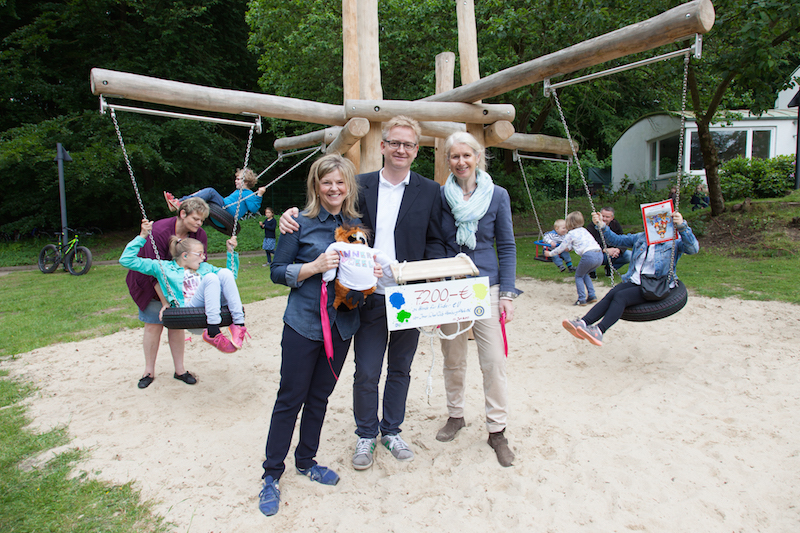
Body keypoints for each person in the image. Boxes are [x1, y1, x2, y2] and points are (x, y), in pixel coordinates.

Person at [279, 116, 445, 471]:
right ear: (382, 146)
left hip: (408, 296)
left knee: (400, 369)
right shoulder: (360, 186)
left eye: (408, 145)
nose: (401, 149)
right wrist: (289, 215)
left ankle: (392, 430)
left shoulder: (430, 191)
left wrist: (420, 274)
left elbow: (436, 240)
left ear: (417, 151)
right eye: (394, 143)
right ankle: (366, 433)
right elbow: (326, 204)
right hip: (365, 296)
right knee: (367, 370)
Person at [258, 154, 384, 517]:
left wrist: (370, 271)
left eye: (340, 182)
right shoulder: (298, 222)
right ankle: (271, 474)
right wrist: (312, 267)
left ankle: (306, 460)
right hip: (304, 325)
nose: (334, 188)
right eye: (327, 182)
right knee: (290, 398)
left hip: (343, 326)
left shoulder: (357, 227)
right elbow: (277, 271)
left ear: (349, 187)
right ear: (316, 185)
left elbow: (359, 276)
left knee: (320, 397)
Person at [435, 131, 522, 467]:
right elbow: (436, 241)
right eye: (454, 157)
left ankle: (497, 429)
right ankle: (455, 415)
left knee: (494, 361)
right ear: (448, 160)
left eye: (466, 156)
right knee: (453, 357)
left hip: (487, 285)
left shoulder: (497, 195)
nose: (461, 162)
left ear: (477, 158)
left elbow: (508, 245)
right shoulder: (440, 197)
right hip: (451, 287)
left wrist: (508, 294)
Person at [562, 210, 699, 346]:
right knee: (613, 293)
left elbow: (692, 248)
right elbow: (616, 240)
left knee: (621, 297)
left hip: (656, 285)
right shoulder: (641, 238)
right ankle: (583, 322)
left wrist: (682, 226)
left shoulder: (672, 242)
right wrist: (602, 225)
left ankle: (599, 330)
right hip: (636, 281)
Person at [120, 220, 247, 354]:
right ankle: (213, 331)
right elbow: (126, 260)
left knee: (224, 273)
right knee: (211, 278)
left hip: (207, 305)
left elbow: (230, 279)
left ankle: (239, 324)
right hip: (187, 308)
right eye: (199, 254)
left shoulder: (205, 267)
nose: (203, 257)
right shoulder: (165, 268)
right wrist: (142, 236)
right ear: (185, 255)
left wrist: (231, 253)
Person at [125, 197, 209, 389]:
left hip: (178, 287)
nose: (199, 223)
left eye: (201, 220)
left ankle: (180, 370)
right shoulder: (160, 232)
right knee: (153, 325)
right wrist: (166, 302)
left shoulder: (199, 235)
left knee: (177, 326)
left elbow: (198, 266)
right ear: (182, 214)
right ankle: (148, 371)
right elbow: (154, 274)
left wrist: (188, 297)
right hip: (149, 284)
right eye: (196, 219)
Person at [545, 211, 603, 306]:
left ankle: (581, 299)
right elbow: (578, 243)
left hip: (589, 255)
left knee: (579, 276)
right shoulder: (584, 230)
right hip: (599, 254)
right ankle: (592, 295)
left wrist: (550, 253)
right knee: (584, 274)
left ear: (569, 223)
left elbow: (561, 248)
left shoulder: (570, 234)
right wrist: (570, 248)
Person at [164, 168, 267, 220]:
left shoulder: (248, 193)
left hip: (227, 210)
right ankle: (179, 203)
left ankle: (180, 203)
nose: (235, 181)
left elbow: (253, 208)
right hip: (225, 208)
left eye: (238, 179)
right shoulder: (240, 192)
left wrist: (260, 195)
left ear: (246, 181)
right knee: (202, 194)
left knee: (210, 191)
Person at [586, 206, 631, 277]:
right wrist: (605, 250)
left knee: (629, 255)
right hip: (599, 252)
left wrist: (618, 250)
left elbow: (622, 239)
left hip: (613, 252)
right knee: (591, 255)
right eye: (603, 216)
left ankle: (610, 269)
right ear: (599, 215)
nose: (604, 219)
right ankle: (591, 271)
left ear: (612, 218)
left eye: (607, 217)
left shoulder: (615, 224)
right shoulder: (592, 226)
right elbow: (589, 243)